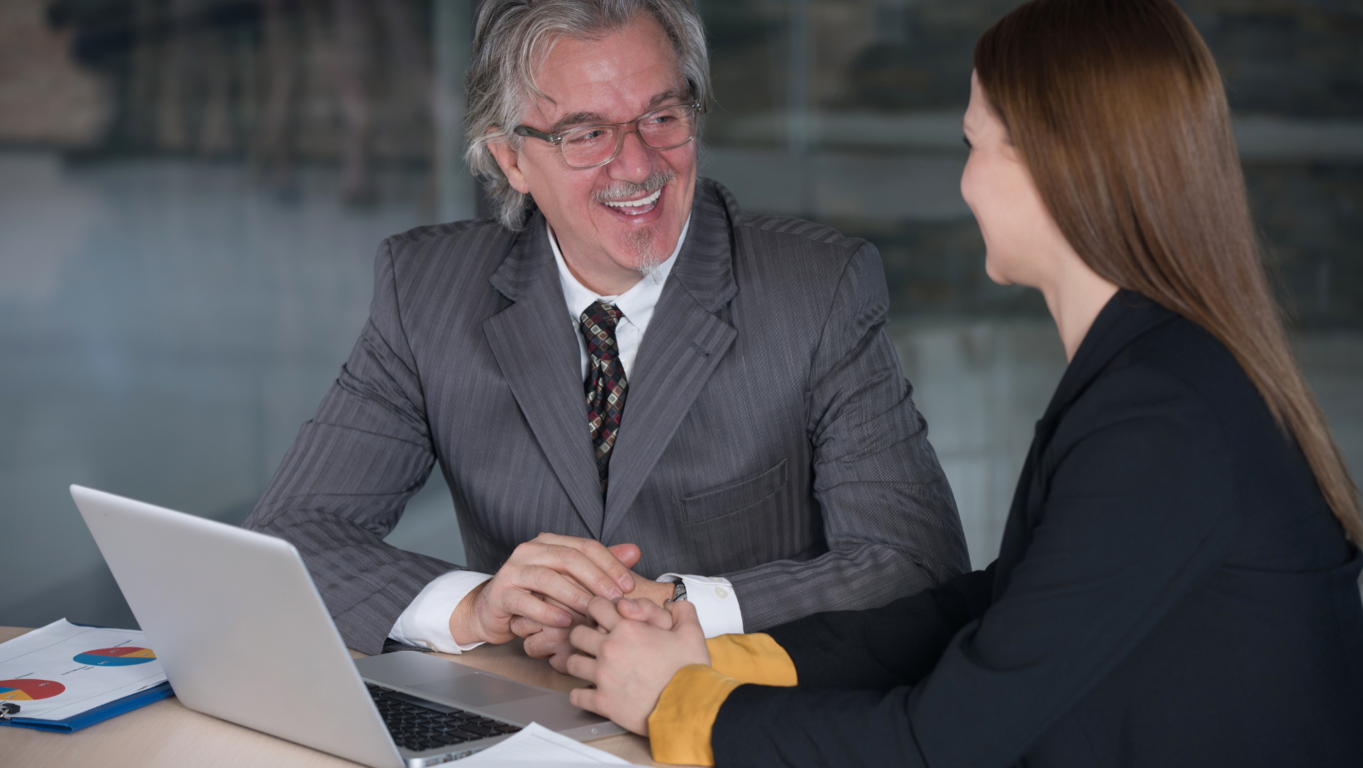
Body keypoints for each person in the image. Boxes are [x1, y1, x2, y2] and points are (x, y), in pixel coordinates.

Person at [564, 1, 1363, 765]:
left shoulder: (1160, 423)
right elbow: (989, 607)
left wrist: (678, 705)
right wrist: (719, 656)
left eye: (974, 145)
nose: (965, 184)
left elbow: (938, 744)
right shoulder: (1161, 376)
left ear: (1053, 164)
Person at [243, 0, 969, 667]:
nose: (637, 165)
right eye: (586, 133)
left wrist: (688, 608)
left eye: (662, 117)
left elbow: (916, 563)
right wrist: (476, 606)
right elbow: (293, 536)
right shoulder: (426, 291)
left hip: (745, 715)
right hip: (527, 720)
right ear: (510, 157)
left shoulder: (816, 288)